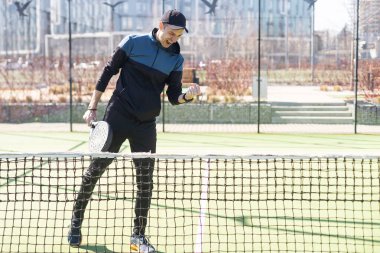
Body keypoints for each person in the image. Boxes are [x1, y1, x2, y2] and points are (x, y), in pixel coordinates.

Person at [67, 10, 200, 253]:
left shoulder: (176, 60)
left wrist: (187, 97)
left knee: (145, 182)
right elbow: (108, 71)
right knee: (95, 171)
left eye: (179, 36)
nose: (174, 38)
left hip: (146, 125)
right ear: (161, 25)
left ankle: (138, 237)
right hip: (117, 117)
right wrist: (92, 107)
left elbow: (173, 97)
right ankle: (75, 223)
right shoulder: (132, 43)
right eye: (171, 33)